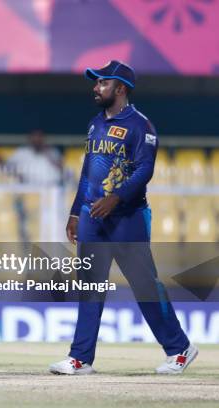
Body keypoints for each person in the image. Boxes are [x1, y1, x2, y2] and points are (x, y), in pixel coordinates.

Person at [49, 60, 197, 375]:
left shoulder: (141, 125)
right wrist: (76, 211)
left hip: (127, 218)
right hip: (92, 217)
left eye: (102, 82)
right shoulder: (95, 124)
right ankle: (80, 358)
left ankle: (180, 348)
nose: (95, 87)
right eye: (96, 82)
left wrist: (115, 199)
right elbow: (88, 173)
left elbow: (145, 170)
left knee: (144, 285)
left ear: (120, 88)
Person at [5, 129, 62, 241]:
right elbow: (6, 167)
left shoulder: (52, 152)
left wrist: (48, 154)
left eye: (39, 138)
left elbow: (61, 170)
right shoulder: (22, 153)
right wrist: (17, 174)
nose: (37, 140)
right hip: (27, 196)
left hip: (49, 196)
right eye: (34, 138)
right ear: (30, 140)